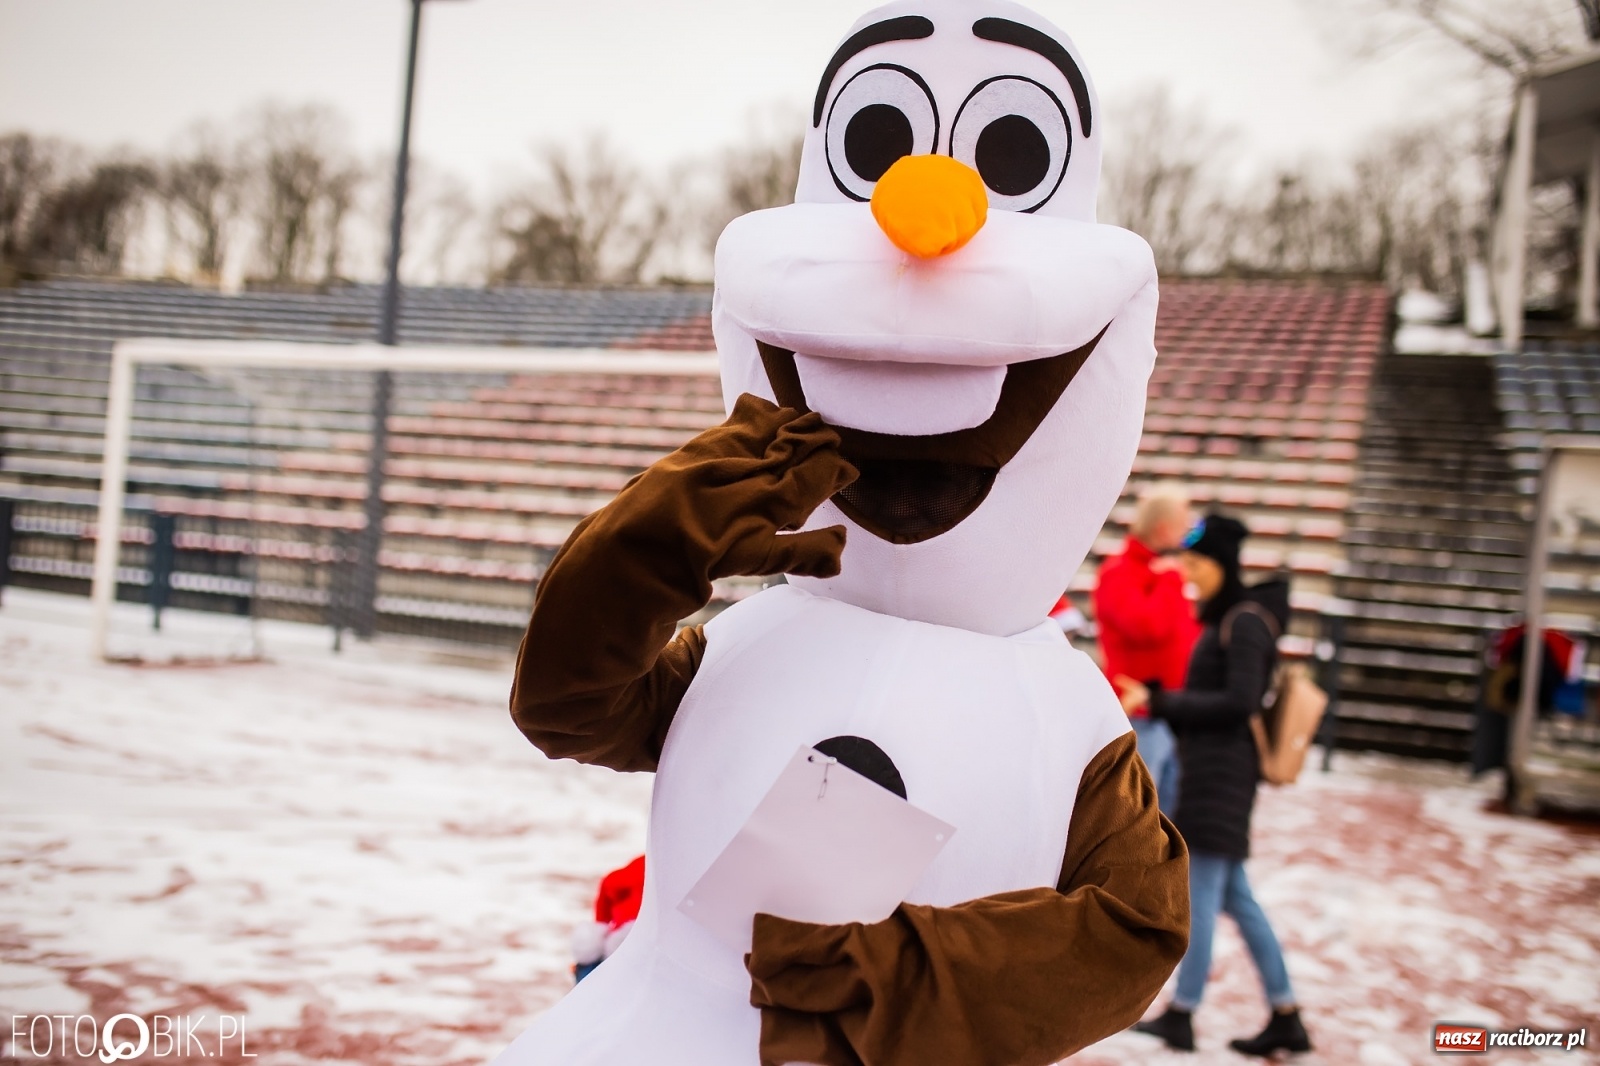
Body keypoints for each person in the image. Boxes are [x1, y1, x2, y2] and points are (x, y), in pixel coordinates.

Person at [1115, 514, 1312, 1056]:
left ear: (1221, 565)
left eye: (1197, 565)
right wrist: (1160, 697)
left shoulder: (1244, 622)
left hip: (1221, 778)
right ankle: (1286, 1013)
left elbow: (1239, 702)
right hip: (1214, 771)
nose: (1189, 576)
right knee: (1237, 900)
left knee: (1198, 899)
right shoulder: (1233, 618)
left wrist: (1160, 701)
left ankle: (1183, 1013)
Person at [1093, 484, 1198, 815]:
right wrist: (1168, 581)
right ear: (1164, 528)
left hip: (1172, 708)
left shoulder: (1166, 570)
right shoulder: (1119, 571)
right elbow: (1146, 627)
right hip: (1140, 714)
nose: (1187, 534)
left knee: (1170, 817)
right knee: (1138, 815)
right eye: (1184, 526)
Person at [571, 855, 645, 983]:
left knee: (589, 970)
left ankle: (582, 992)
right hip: (642, 941)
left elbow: (601, 919)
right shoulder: (660, 867)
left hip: (614, 942)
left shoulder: (622, 874)